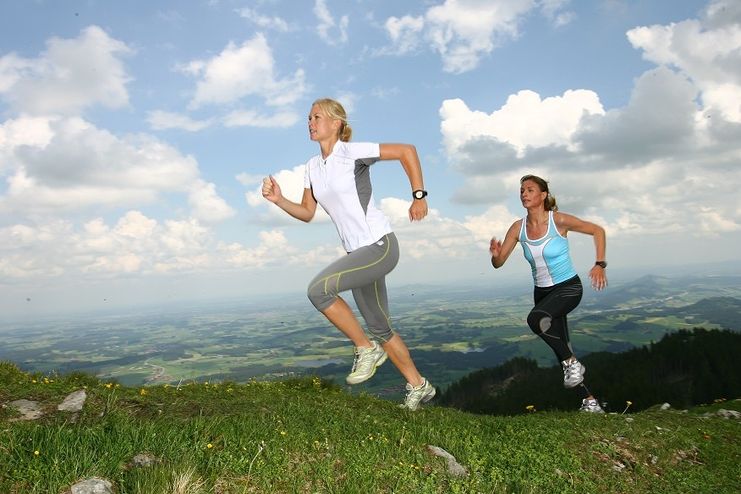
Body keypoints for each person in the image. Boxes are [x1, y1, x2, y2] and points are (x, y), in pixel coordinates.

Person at [261, 98, 435, 411]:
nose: (310, 123)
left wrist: (418, 196)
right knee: (381, 327)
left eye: (316, 117)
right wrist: (278, 200)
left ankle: (364, 348)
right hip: (359, 253)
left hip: (379, 246)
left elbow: (407, 150)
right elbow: (306, 212)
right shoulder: (312, 168)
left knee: (319, 290)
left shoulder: (351, 152)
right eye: (308, 118)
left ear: (337, 122)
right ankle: (418, 385)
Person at [489, 175, 607, 413]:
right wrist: (495, 254)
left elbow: (597, 230)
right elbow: (498, 263)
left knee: (536, 320)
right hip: (542, 294)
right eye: (521, 190)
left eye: (530, 190)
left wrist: (600, 264)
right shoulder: (518, 228)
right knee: (562, 350)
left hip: (568, 288)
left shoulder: (559, 221)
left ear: (543, 195)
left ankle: (574, 364)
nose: (524, 194)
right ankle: (590, 402)